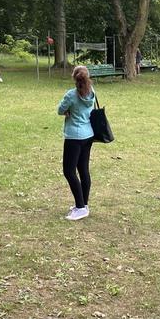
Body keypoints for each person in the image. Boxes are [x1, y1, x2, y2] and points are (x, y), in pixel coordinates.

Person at [57, 65, 95, 221]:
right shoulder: (92, 92)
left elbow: (60, 109)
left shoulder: (71, 95)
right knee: (83, 170)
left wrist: (67, 111)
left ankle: (80, 207)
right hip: (88, 135)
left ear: (74, 77)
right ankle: (84, 204)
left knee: (69, 171)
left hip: (74, 136)